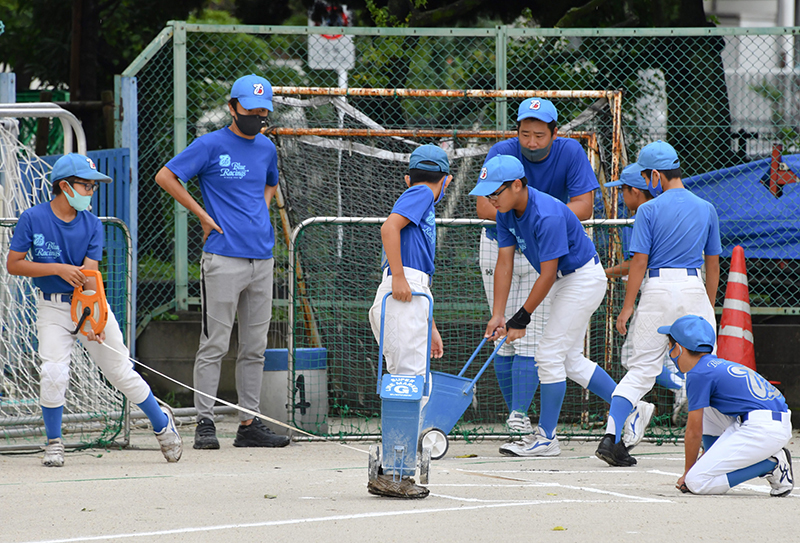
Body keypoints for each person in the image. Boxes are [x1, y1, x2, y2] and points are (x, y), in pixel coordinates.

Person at [7, 153, 182, 467]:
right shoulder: (32, 218)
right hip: (52, 307)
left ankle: (161, 423)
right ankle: (54, 442)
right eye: (86, 186)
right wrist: (58, 268)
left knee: (119, 370)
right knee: (53, 372)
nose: (91, 192)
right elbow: (14, 264)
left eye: (93, 187)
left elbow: (90, 276)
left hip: (88, 304)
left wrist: (94, 320)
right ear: (64, 186)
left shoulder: (91, 224)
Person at [155, 74, 289, 450]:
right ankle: (205, 421)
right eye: (250, 109)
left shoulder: (266, 148)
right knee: (214, 343)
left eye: (263, 111)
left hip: (262, 258)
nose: (257, 117)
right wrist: (202, 215)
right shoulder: (211, 144)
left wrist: (260, 209)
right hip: (222, 257)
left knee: (254, 346)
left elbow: (271, 182)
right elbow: (166, 176)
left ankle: (248, 423)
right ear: (232, 107)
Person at [471, 154, 622, 457]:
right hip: (563, 280)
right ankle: (629, 404)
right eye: (487, 194)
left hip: (581, 278)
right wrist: (499, 314)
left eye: (495, 192)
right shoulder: (505, 212)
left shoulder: (547, 214)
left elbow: (548, 273)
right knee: (569, 361)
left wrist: (521, 318)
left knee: (548, 355)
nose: (490, 200)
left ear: (517, 185)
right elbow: (504, 263)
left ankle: (546, 438)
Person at [476, 98, 600, 434]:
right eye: (525, 134)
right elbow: (485, 208)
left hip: (548, 252)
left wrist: (541, 218)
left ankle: (537, 427)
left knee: (538, 344)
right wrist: (525, 216)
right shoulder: (502, 158)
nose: (531, 142)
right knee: (506, 337)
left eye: (540, 135)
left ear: (555, 133)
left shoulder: (568, 158)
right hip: (507, 242)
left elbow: (585, 206)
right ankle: (519, 420)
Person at [596, 141, 721, 467]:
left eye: (644, 176)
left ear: (655, 175)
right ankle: (712, 446)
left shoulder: (648, 210)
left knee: (640, 370)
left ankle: (611, 437)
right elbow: (713, 264)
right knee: (707, 368)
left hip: (657, 289)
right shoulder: (706, 207)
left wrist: (627, 307)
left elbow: (639, 262)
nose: (644, 181)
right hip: (693, 287)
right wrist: (707, 304)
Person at [366, 144, 452, 499]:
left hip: (411, 298)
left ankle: (393, 467)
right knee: (408, 385)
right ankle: (394, 472)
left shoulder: (417, 195)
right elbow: (389, 228)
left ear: (407, 176)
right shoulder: (422, 193)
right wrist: (399, 276)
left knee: (410, 384)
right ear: (446, 181)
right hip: (404, 293)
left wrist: (429, 324)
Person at [658, 315, 793, 497]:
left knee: (696, 482)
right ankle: (712, 462)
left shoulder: (697, 373)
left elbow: (693, 431)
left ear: (679, 348)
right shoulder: (714, 365)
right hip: (770, 422)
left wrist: (688, 473)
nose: (669, 351)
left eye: (671, 346)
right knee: (707, 407)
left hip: (762, 429)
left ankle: (772, 464)